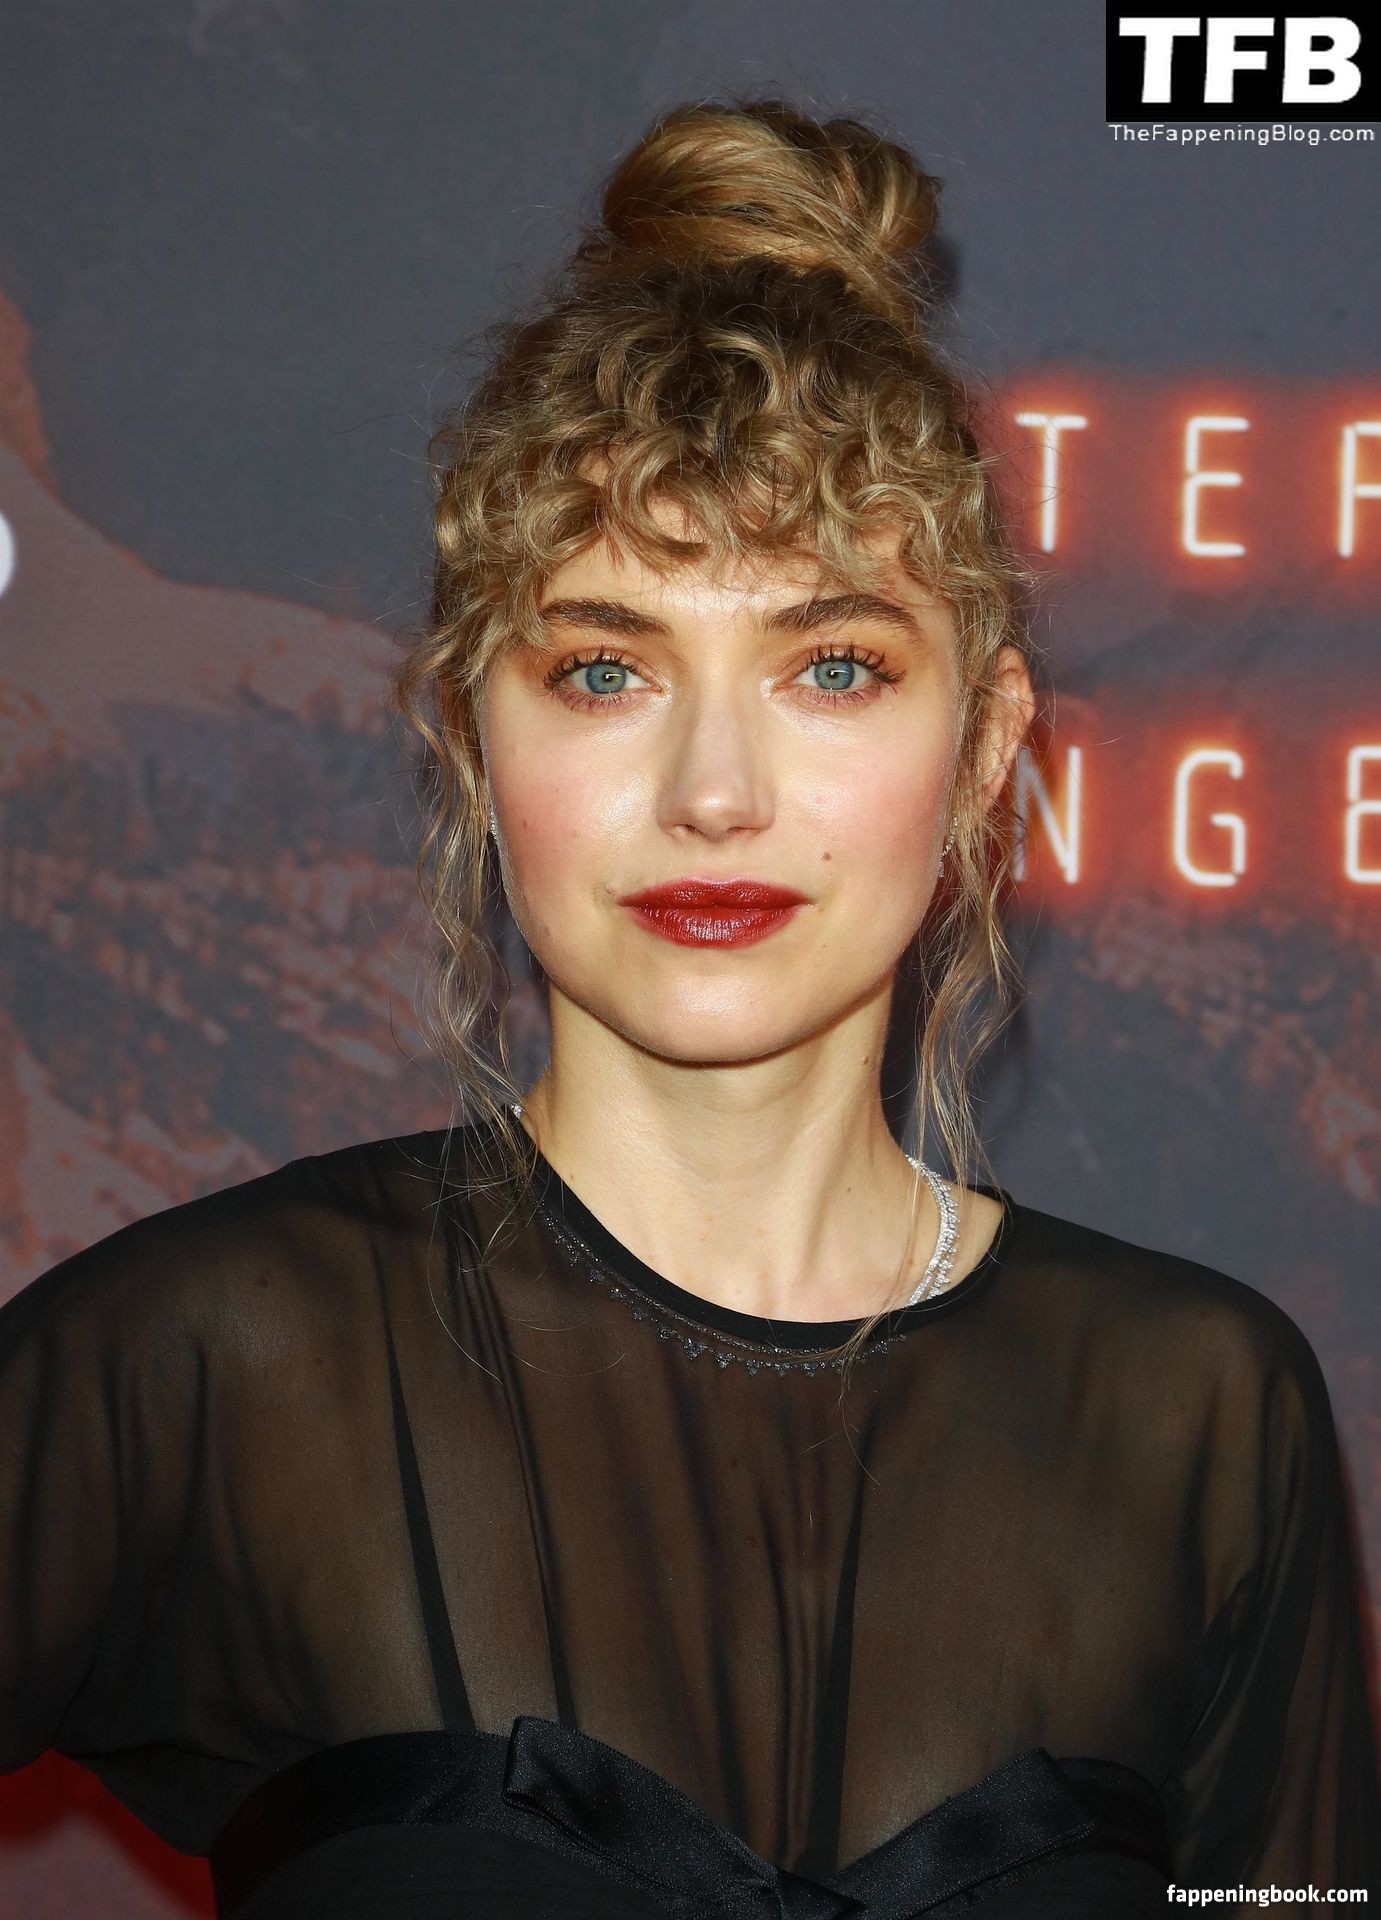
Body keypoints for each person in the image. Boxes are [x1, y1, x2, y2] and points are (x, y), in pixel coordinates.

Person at [2, 97, 1377, 1920]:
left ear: (984, 747)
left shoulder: (1200, 1411)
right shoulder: (200, 1361)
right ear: (470, 742)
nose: (713, 792)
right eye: (602, 670)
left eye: (831, 666)